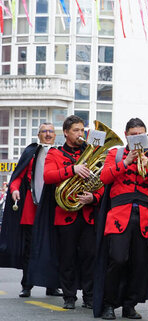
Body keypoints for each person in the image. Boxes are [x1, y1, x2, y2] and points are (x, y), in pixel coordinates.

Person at [92, 118, 148, 320]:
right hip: (120, 214)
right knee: (117, 259)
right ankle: (109, 303)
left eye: (141, 134)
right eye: (133, 134)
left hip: (146, 217)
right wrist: (126, 163)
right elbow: (104, 178)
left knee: (140, 263)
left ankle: (130, 304)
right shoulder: (115, 154)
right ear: (126, 135)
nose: (137, 138)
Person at [28, 115, 104, 309]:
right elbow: (48, 176)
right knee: (67, 257)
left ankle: (89, 296)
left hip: (87, 213)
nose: (80, 134)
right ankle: (69, 296)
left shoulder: (91, 153)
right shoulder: (55, 154)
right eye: (76, 130)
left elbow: (101, 180)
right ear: (66, 133)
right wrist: (73, 169)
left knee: (89, 256)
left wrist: (94, 198)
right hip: (65, 214)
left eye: (82, 130)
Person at [0, 123, 62, 297]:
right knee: (30, 249)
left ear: (55, 135)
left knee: (53, 248)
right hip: (31, 209)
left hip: (52, 208)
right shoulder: (30, 153)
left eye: (51, 131)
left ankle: (52, 286)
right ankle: (26, 285)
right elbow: (17, 177)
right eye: (44, 131)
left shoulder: (60, 153)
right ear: (38, 135)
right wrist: (15, 189)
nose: (48, 134)